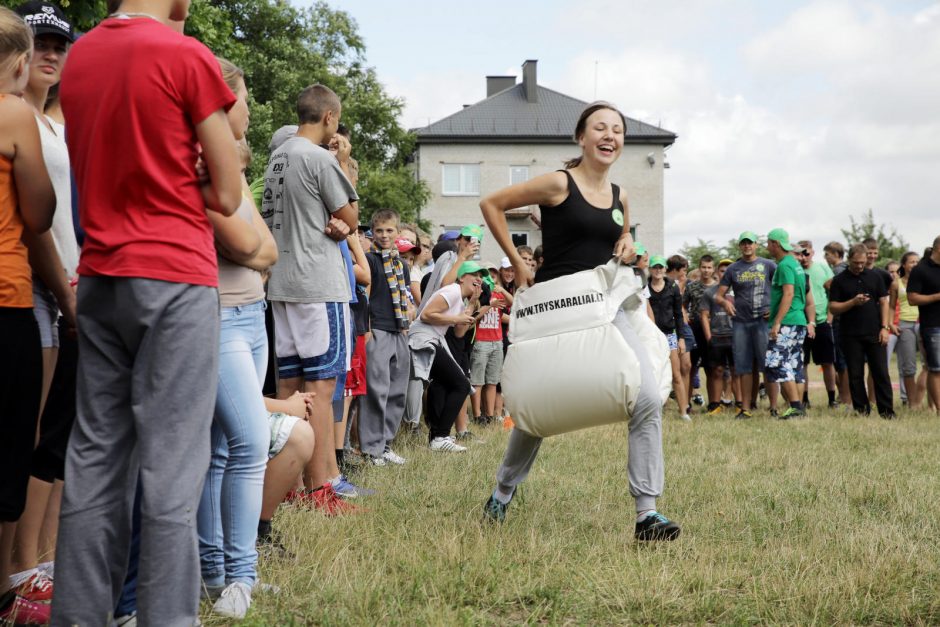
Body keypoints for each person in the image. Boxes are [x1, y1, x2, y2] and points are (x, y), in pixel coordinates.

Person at [51, 0, 243, 623]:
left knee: (95, 458)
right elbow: (228, 189)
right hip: (174, 277)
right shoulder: (186, 55)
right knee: (171, 467)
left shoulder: (80, 57)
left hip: (101, 276)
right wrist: (184, 169)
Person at [479, 101, 680, 541]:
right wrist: (518, 263)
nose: (610, 136)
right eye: (600, 129)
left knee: (647, 395)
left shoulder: (621, 195)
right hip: (557, 311)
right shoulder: (557, 183)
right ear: (581, 138)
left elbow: (624, 237)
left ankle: (647, 513)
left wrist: (629, 247)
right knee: (536, 413)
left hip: (608, 308)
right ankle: (501, 493)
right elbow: (491, 203)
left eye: (617, 130)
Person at [195, 59, 280, 619]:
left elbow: (265, 248)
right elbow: (241, 245)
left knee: (226, 449)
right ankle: (236, 577)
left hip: (253, 315)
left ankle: (219, 571)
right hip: (221, 318)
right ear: (226, 102)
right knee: (247, 444)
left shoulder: (236, 167)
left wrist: (257, 250)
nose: (250, 110)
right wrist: (256, 250)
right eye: (245, 98)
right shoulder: (203, 167)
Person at [261, 84, 360, 511]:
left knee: (289, 386)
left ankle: (292, 485)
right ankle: (323, 489)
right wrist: (339, 159)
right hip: (317, 285)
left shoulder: (276, 157)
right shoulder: (319, 158)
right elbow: (350, 216)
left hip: (281, 285)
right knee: (322, 388)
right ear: (330, 118)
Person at [8, 0, 77, 609]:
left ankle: (46, 559)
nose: (51, 54)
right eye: (41, 43)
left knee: (60, 439)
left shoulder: (55, 123)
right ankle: (20, 567)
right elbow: (33, 225)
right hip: (37, 290)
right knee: (28, 439)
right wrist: (63, 289)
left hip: (70, 293)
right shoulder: (15, 118)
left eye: (60, 44)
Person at [0, 8, 57, 624]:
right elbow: (39, 212)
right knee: (11, 456)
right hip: (8, 302)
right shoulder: (15, 112)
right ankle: (4, 597)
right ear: (20, 63)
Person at [408, 262, 488, 452]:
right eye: (474, 274)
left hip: (435, 340)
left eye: (481, 276)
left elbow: (460, 332)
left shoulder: (460, 299)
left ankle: (437, 436)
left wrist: (471, 305)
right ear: (461, 277)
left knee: (444, 384)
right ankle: (441, 436)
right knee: (461, 384)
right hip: (424, 339)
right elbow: (427, 314)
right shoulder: (452, 290)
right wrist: (456, 318)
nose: (479, 279)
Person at [358, 209, 412, 466]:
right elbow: (365, 295)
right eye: (379, 231)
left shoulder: (402, 265)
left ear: (398, 233)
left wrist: (406, 321)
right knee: (376, 390)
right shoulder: (369, 259)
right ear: (373, 233)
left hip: (400, 329)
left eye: (390, 230)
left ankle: (387, 443)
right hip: (378, 329)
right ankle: (371, 447)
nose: (384, 235)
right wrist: (367, 326)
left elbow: (405, 297)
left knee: (397, 390)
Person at [714, 232, 777, 419]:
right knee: (744, 367)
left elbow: (782, 289)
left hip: (763, 322)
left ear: (756, 245)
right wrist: (726, 303)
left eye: (750, 242)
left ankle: (773, 408)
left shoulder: (768, 265)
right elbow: (718, 295)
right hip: (741, 322)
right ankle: (746, 408)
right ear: (740, 246)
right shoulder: (733, 268)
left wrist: (773, 309)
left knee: (768, 365)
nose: (747, 246)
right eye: (744, 243)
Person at [828, 244, 894, 418]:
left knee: (881, 372)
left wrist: (885, 328)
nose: (859, 266)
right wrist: (852, 303)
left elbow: (884, 302)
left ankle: (887, 411)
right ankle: (861, 410)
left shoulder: (876, 276)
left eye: (862, 262)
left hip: (875, 332)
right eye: (856, 262)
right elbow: (833, 308)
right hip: (850, 334)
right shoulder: (839, 280)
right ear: (849, 259)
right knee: (855, 374)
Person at [764, 228, 812, 419]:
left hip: (787, 322)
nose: (767, 246)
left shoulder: (784, 265)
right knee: (794, 364)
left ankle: (795, 407)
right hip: (798, 320)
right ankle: (799, 408)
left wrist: (777, 322)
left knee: (777, 363)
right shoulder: (795, 264)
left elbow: (789, 293)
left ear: (775, 244)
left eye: (768, 243)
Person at [795, 240, 838, 409]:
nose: (804, 257)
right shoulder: (794, 270)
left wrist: (829, 318)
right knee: (802, 362)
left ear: (813, 252)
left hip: (821, 322)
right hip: (801, 322)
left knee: (827, 362)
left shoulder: (822, 268)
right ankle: (804, 398)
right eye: (801, 254)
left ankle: (832, 399)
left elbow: (833, 292)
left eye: (807, 253)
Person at [648, 255, 690, 421]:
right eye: (655, 267)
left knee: (676, 373)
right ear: (651, 269)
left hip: (669, 334)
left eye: (661, 267)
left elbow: (678, 314)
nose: (658, 270)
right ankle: (655, 410)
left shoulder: (672, 286)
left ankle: (684, 412)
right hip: (651, 335)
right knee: (653, 374)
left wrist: (681, 338)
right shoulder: (645, 288)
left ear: (665, 269)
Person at [907, 236, 940, 413]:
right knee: (935, 368)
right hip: (933, 325)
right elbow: (912, 298)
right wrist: (937, 296)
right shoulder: (921, 270)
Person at [889, 252, 925, 408]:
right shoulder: (896, 283)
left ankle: (927, 402)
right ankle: (912, 404)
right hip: (905, 325)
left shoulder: (925, 281)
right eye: (912, 262)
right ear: (904, 264)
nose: (915, 264)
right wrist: (890, 323)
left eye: (917, 261)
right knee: (909, 367)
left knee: (929, 365)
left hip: (923, 323)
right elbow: (891, 306)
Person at [701, 259, 736, 413]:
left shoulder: (739, 291)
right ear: (717, 273)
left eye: (728, 271)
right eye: (722, 271)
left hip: (736, 336)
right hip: (717, 336)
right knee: (717, 371)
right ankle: (715, 404)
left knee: (737, 372)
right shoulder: (710, 292)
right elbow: (704, 315)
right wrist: (709, 337)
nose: (725, 273)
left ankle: (740, 403)